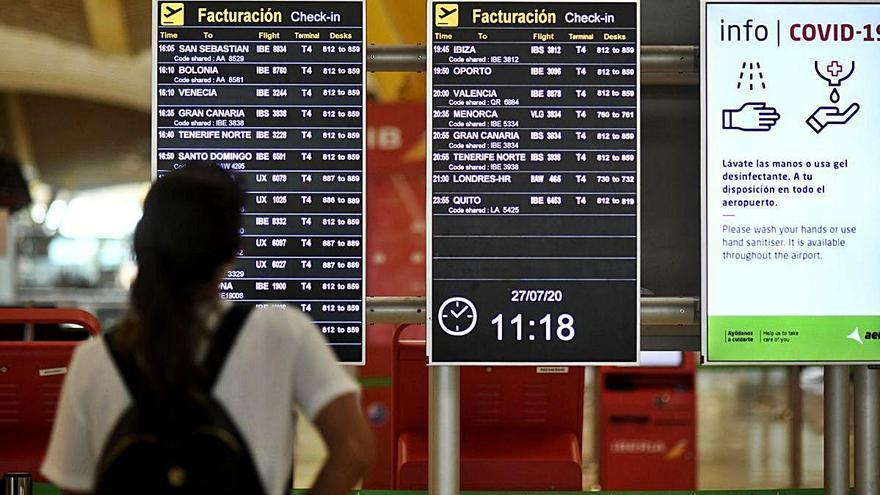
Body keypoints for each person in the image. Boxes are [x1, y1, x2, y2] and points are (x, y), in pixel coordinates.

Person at [40, 165, 374, 495]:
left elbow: (76, 486)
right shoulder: (282, 332)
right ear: (229, 252)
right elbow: (355, 448)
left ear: (142, 246)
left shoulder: (94, 359)